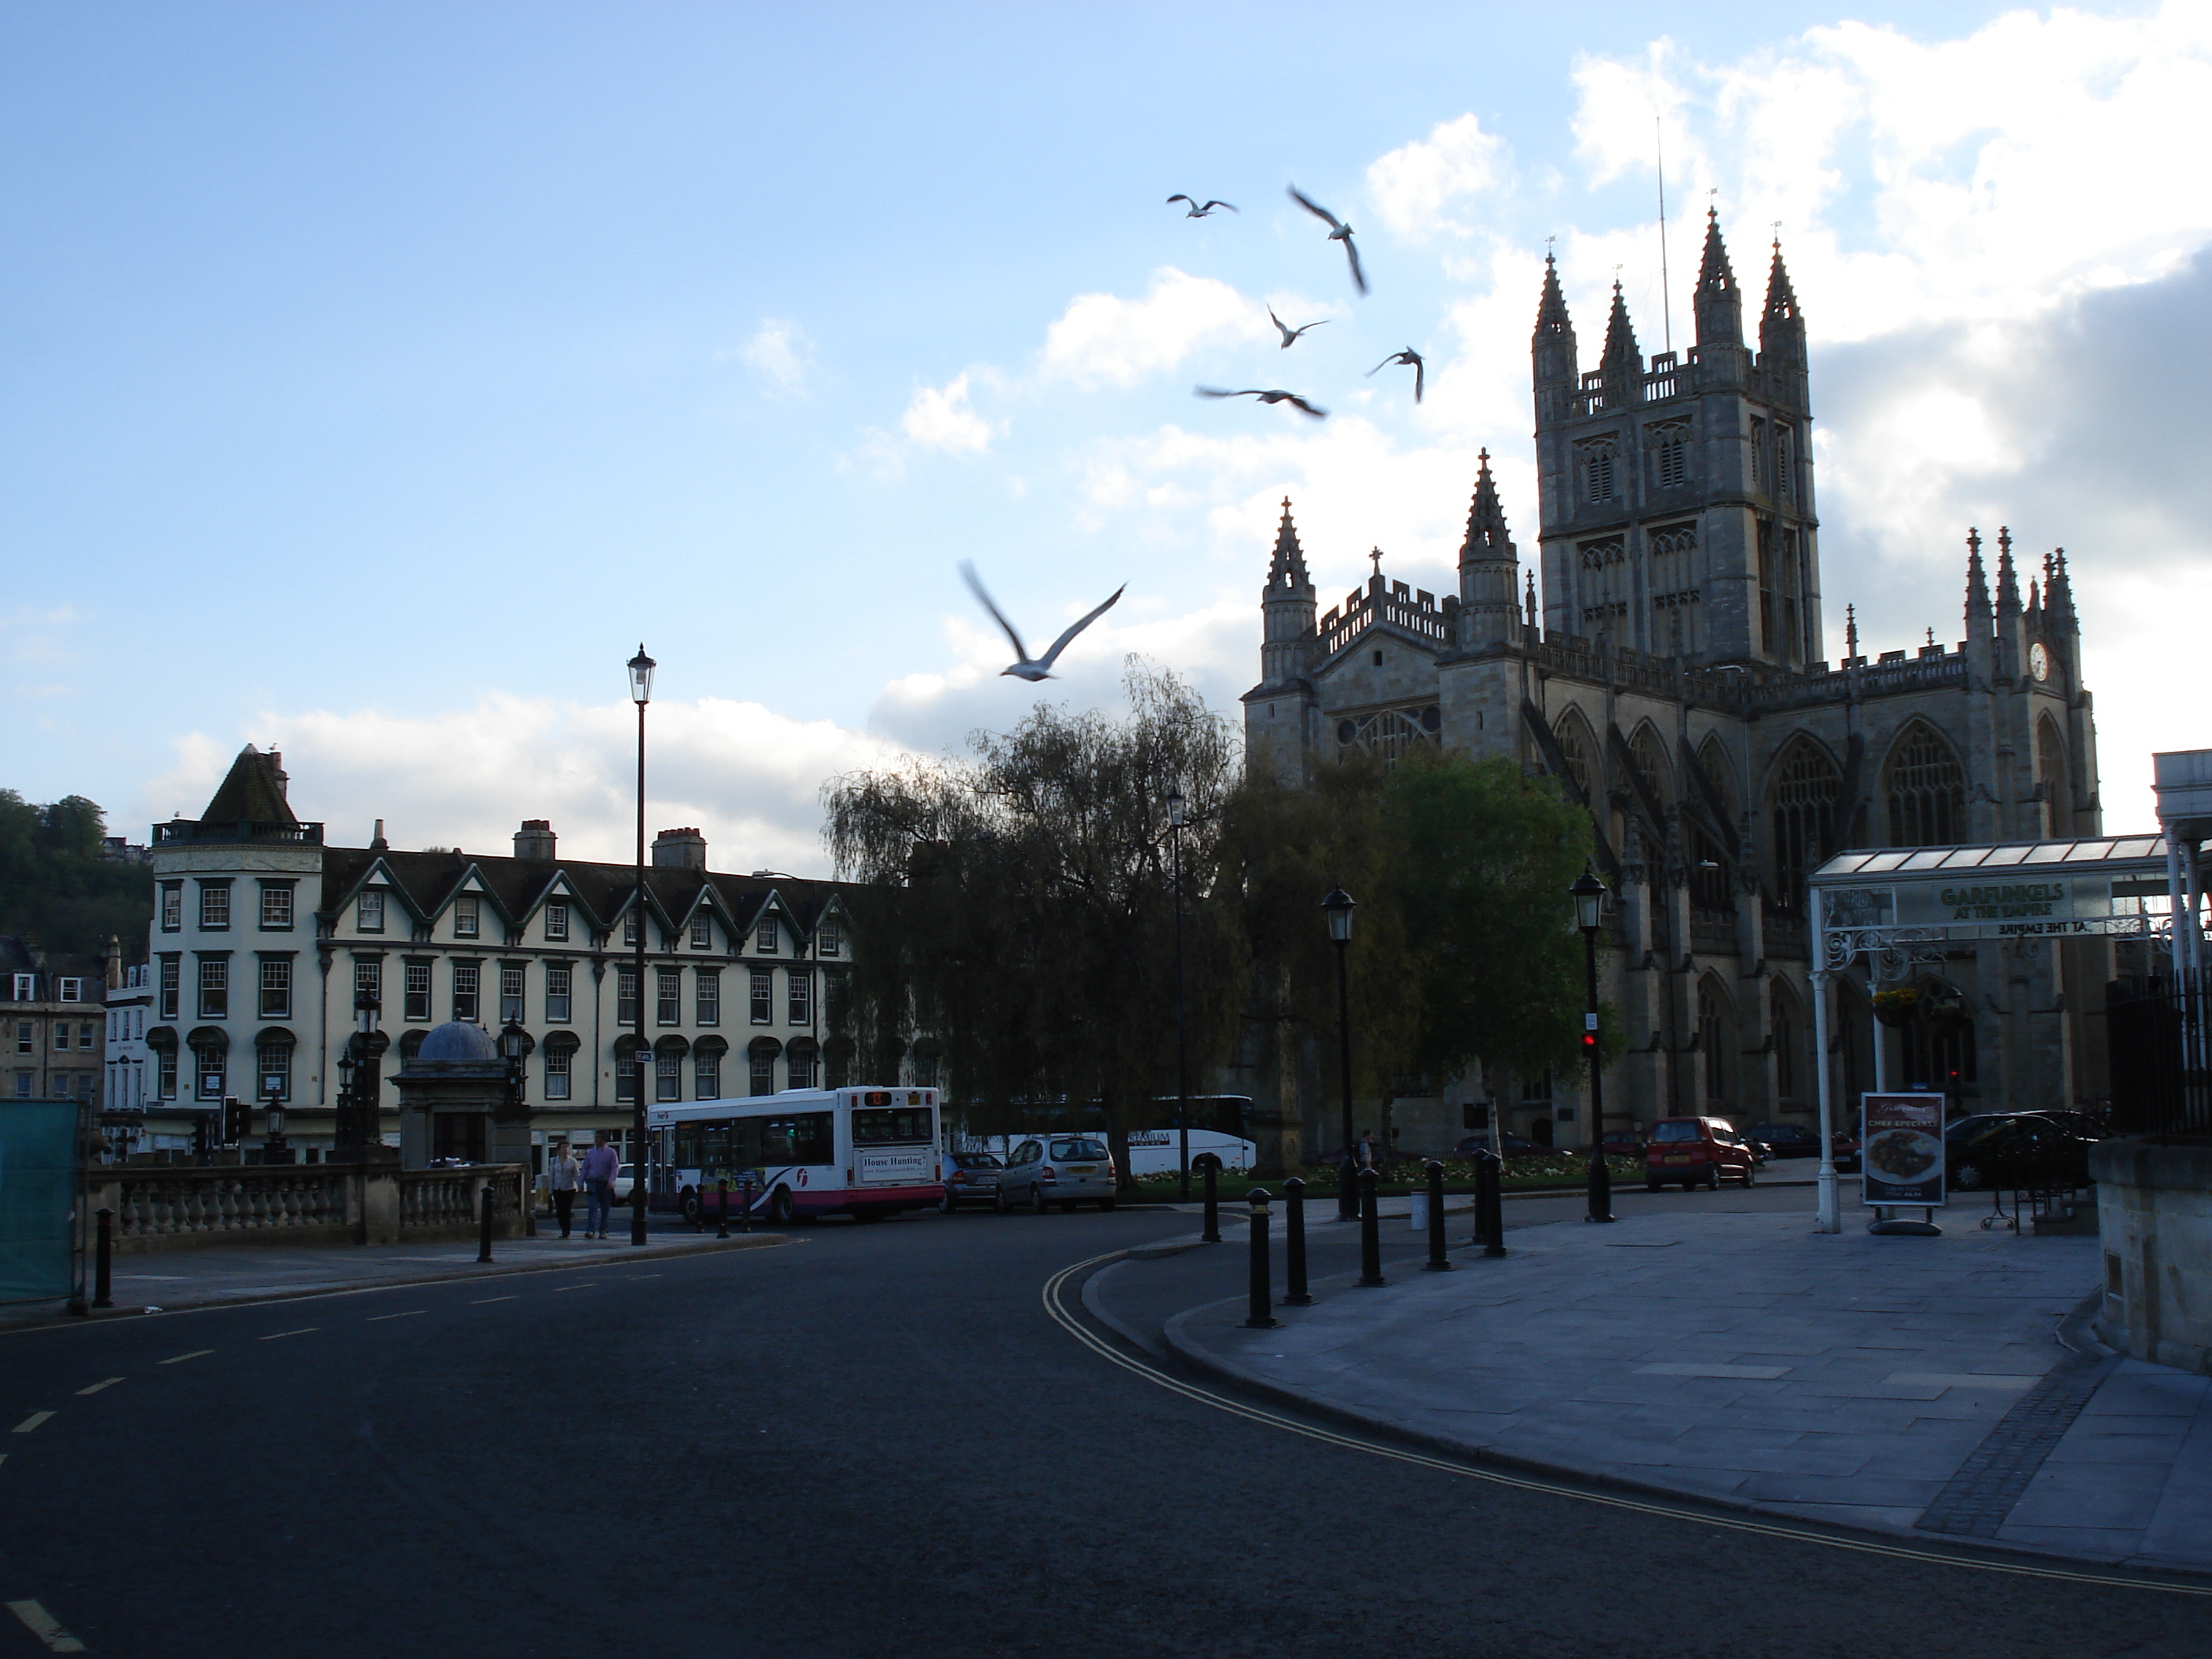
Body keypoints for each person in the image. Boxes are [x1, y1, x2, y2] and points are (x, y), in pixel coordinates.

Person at [580, 1133, 620, 1240]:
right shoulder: (591, 1153)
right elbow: (585, 1168)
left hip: (605, 1183)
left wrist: (611, 1181)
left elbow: (614, 1168)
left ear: (604, 1139)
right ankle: (590, 1230)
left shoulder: (611, 1152)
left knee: (605, 1208)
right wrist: (580, 1182)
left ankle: (603, 1230)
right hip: (592, 1182)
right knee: (592, 1207)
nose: (596, 1140)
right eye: (596, 1137)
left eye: (598, 1137)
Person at [547, 1140, 580, 1239]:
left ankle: (567, 1230)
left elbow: (576, 1175)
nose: (565, 1149)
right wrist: (550, 1191)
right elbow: (551, 1176)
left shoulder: (573, 1161)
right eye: (563, 1147)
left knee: (567, 1209)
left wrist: (580, 1185)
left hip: (569, 1188)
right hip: (557, 1188)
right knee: (560, 1210)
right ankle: (563, 1228)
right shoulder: (553, 1160)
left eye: (567, 1147)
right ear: (559, 1150)